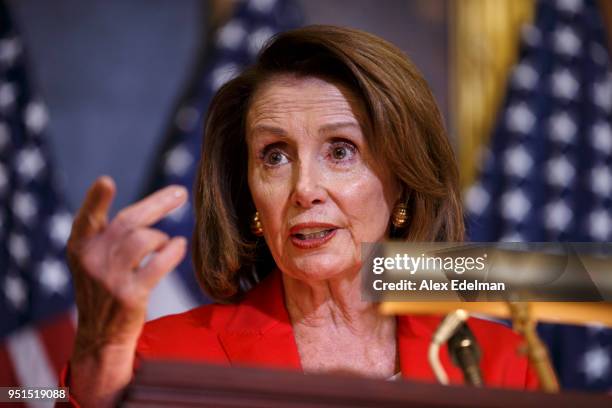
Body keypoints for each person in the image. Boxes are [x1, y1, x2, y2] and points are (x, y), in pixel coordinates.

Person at [63, 25, 537, 407]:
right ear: (249, 197)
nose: (304, 190)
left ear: (403, 186)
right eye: (274, 156)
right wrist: (98, 366)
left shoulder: (498, 367)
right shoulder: (164, 356)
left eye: (341, 150)